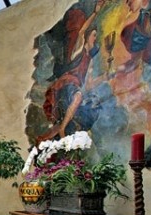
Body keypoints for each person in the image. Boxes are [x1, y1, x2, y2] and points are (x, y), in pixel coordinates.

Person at [37, 0, 106, 144]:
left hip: (73, 89)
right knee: (79, 96)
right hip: (66, 84)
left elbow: (89, 84)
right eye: (94, 35)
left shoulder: (90, 60)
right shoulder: (79, 49)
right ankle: (62, 129)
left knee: (84, 107)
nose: (95, 38)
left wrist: (105, 76)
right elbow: (81, 31)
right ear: (87, 37)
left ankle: (43, 141)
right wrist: (95, 13)